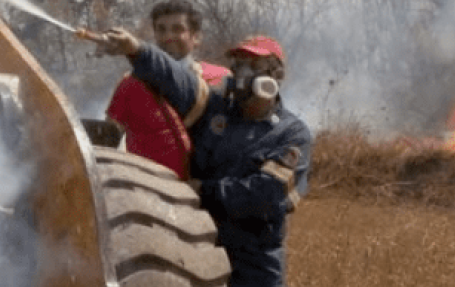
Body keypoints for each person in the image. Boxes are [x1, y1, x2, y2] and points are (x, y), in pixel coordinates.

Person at [101, 29, 311, 287]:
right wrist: (135, 48)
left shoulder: (291, 134)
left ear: (276, 75)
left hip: (254, 264)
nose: (243, 72)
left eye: (254, 65)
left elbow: (267, 195)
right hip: (199, 247)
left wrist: (204, 190)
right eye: (239, 64)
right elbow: (171, 76)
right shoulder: (211, 108)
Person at [104, 0, 228, 179]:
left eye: (178, 29)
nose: (168, 37)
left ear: (196, 37)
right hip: (148, 189)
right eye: (161, 30)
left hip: (206, 189)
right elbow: (108, 141)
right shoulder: (131, 84)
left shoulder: (219, 78)